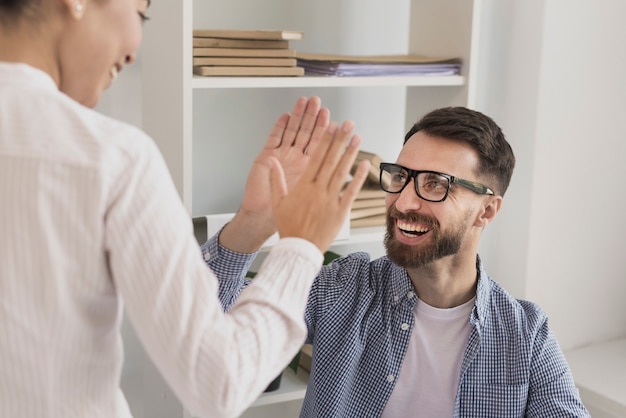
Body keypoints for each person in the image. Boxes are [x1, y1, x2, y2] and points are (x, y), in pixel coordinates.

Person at [0, 1, 370, 417]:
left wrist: (253, 223)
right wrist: (302, 245)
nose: (135, 50)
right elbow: (218, 383)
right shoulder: (111, 159)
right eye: (141, 14)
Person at [210, 106, 591, 417]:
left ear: (487, 211)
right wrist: (254, 220)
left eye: (435, 185)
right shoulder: (343, 288)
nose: (404, 202)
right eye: (401, 177)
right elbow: (208, 330)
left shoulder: (525, 337)